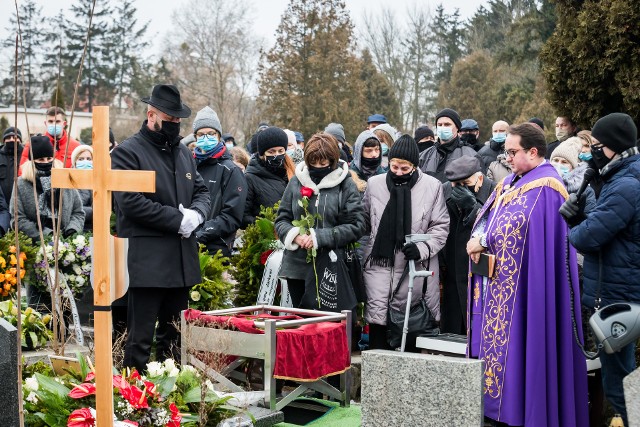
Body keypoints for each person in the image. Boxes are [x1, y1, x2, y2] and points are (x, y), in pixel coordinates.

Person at [466, 123, 588, 426]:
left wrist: (484, 240)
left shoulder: (547, 187)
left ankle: (526, 412)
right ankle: (501, 410)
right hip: (499, 285)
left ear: (533, 152)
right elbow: (492, 216)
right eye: (507, 151)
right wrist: (479, 233)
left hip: (527, 290)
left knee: (526, 348)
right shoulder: (511, 181)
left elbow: (520, 230)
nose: (507, 157)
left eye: (512, 151)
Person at [111, 84, 210, 373]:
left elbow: (202, 191)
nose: (175, 125)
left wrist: (197, 215)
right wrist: (177, 220)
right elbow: (131, 203)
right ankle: (133, 400)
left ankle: (172, 398)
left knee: (175, 339)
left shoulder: (182, 152)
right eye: (170, 119)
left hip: (180, 261)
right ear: (151, 115)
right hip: (148, 263)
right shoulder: (128, 153)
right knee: (139, 339)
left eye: (179, 120)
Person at [562, 113, 640, 426]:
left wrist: (574, 223)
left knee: (618, 376)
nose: (592, 151)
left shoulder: (626, 186)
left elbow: (589, 235)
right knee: (618, 369)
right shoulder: (618, 178)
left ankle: (626, 419)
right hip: (614, 288)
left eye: (597, 145)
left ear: (614, 147)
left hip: (617, 292)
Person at [363, 135, 449, 352]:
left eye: (405, 168)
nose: (399, 172)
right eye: (394, 167)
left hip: (415, 270)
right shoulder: (374, 184)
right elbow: (363, 223)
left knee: (410, 338)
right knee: (378, 331)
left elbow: (440, 228)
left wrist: (421, 248)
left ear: (414, 166)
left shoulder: (432, 186)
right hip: (379, 268)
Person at [275, 132, 366, 308]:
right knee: (302, 323)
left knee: (328, 325)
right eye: (313, 163)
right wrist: (295, 236)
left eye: (323, 163)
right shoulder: (296, 182)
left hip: (331, 266)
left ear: (332, 161)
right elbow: (281, 220)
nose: (318, 167)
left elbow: (357, 225)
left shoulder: (345, 184)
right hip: (297, 268)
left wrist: (320, 237)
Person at [440, 156, 495, 335]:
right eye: (457, 184)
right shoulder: (446, 190)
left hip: (482, 269)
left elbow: (494, 229)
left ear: (479, 178)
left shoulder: (495, 191)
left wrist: (473, 207)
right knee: (453, 326)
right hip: (453, 271)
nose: (461, 188)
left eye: (466, 182)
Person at [191, 106, 247, 258]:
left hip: (216, 251)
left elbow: (232, 216)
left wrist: (200, 233)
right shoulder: (188, 166)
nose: (206, 138)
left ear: (218, 135)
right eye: (201, 134)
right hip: (187, 246)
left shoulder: (230, 170)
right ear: (195, 137)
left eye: (211, 134)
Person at [12, 135, 84, 240]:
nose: (46, 162)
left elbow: (78, 212)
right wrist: (47, 235)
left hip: (67, 241)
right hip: (34, 243)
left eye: (49, 158)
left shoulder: (65, 179)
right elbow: (18, 219)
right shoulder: (21, 184)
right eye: (41, 159)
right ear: (32, 161)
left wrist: (71, 230)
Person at [242, 126, 294, 227]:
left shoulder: (292, 173)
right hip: (267, 238)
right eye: (271, 152)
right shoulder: (250, 178)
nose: (276, 155)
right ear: (262, 154)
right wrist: (267, 226)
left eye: (280, 151)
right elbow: (243, 216)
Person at [418, 108, 477, 183]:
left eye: (447, 124)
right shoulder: (424, 156)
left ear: (457, 128)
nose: (443, 127)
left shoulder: (471, 155)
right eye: (439, 125)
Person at [71, 145, 94, 231]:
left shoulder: (98, 179)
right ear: (75, 162)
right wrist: (93, 211)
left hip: (95, 228)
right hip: (74, 227)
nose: (85, 162)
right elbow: (71, 209)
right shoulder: (68, 179)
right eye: (81, 159)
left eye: (88, 159)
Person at [0, 126, 24, 205]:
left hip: (22, 203)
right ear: (4, 141)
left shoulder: (26, 155)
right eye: (8, 138)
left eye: (15, 137)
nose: (11, 140)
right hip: (2, 205)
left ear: (20, 141)